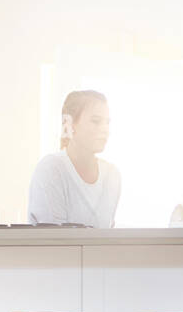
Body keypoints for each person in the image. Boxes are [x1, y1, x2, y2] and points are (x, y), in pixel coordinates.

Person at [28, 89, 120, 228]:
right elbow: (56, 240)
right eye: (96, 121)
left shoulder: (112, 175)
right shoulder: (51, 169)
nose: (105, 129)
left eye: (107, 122)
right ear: (71, 124)